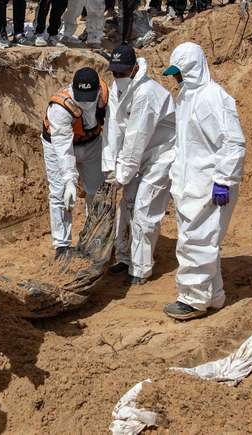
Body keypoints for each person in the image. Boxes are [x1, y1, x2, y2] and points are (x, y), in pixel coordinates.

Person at [161, 42, 246, 320]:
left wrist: (223, 180)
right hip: (191, 185)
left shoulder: (212, 98)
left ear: (193, 69)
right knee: (201, 241)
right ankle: (214, 295)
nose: (176, 78)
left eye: (180, 73)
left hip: (210, 186)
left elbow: (232, 143)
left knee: (196, 243)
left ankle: (193, 300)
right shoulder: (187, 96)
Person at [102, 45, 176, 285]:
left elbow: (136, 138)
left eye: (123, 73)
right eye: (115, 73)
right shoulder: (117, 88)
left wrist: (122, 175)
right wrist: (110, 168)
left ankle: (141, 268)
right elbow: (113, 130)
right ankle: (124, 258)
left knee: (144, 209)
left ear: (134, 69)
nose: (118, 77)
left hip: (160, 157)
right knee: (127, 205)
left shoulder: (146, 94)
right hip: (137, 157)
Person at [41, 68, 109, 261]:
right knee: (59, 193)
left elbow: (114, 127)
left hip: (92, 143)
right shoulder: (60, 108)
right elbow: (63, 148)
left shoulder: (106, 96)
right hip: (57, 145)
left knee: (96, 191)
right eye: (81, 96)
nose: (85, 101)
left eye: (89, 96)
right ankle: (62, 246)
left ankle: (94, 238)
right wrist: (70, 180)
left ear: (97, 91)